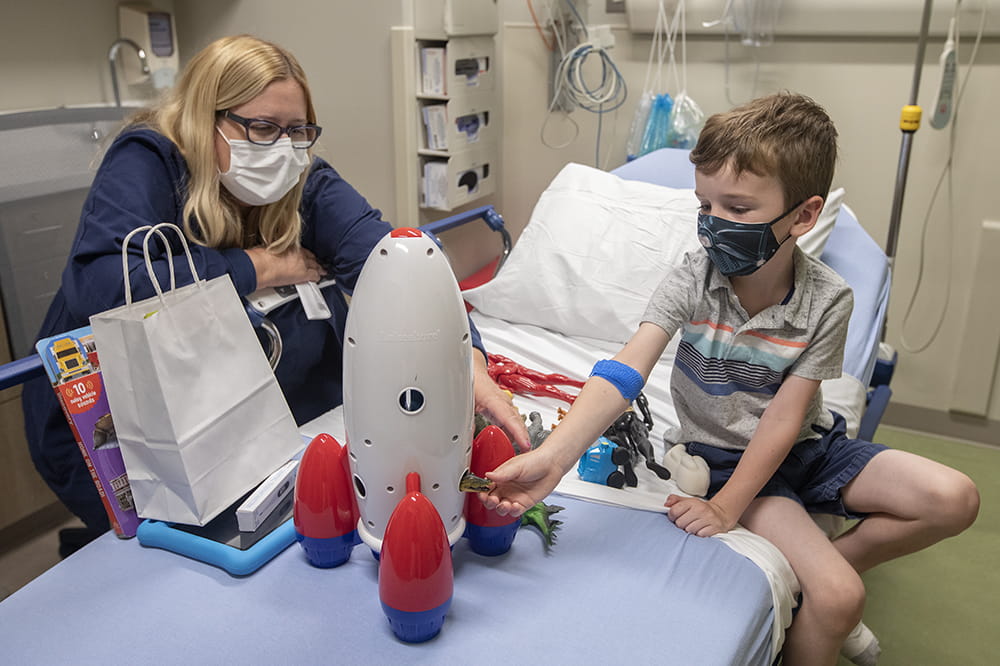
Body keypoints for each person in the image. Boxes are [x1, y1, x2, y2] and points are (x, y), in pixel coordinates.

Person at [482, 92, 980, 666]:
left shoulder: (828, 300)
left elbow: (787, 416)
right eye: (705, 205)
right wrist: (557, 457)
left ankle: (823, 567)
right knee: (842, 598)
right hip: (727, 460)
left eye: (738, 210)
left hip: (807, 445)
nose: (715, 226)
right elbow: (625, 370)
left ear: (803, 215)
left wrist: (727, 513)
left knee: (954, 499)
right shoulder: (694, 278)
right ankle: (824, 599)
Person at [22, 34, 529, 555]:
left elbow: (396, 266)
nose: (283, 149)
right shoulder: (150, 160)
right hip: (116, 433)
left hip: (246, 426)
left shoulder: (302, 179)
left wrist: (464, 364)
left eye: (298, 131)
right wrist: (252, 267)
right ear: (206, 118)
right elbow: (99, 284)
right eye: (262, 128)